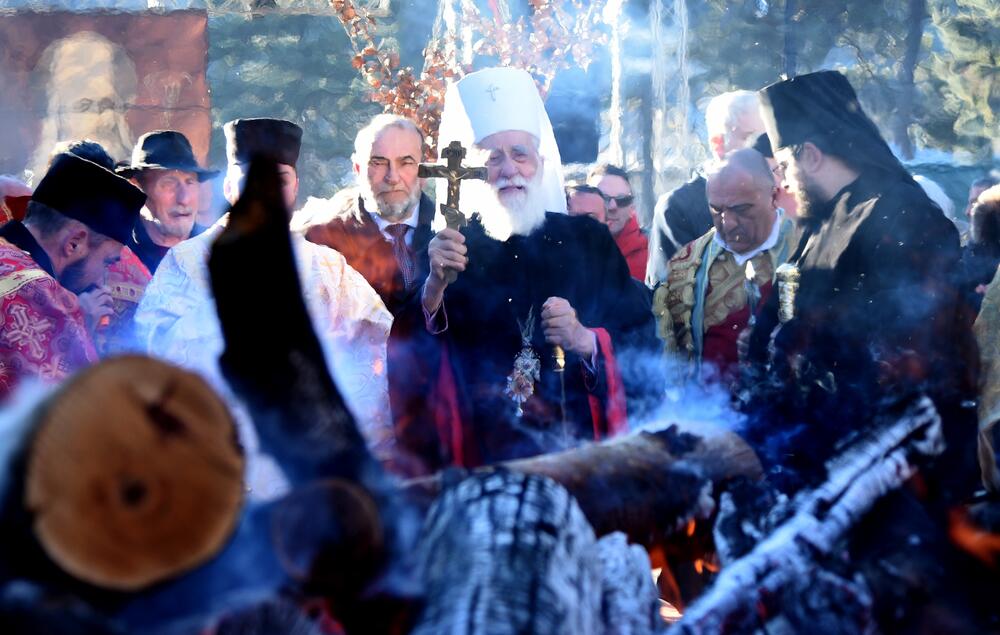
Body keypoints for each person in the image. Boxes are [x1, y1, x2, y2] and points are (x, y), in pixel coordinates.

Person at [396, 67, 654, 472]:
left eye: (520, 154)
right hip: (485, 458)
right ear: (477, 170)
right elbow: (408, 355)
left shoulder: (588, 241)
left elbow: (642, 338)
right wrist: (433, 292)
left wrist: (586, 340)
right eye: (492, 157)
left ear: (541, 161)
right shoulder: (452, 247)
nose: (508, 169)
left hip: (579, 455)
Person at [743, 70, 978, 499]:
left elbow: (912, 352)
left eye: (783, 166)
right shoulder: (818, 222)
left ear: (810, 154)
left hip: (889, 471)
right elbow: (787, 311)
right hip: (818, 450)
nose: (783, 181)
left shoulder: (903, 214)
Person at [135, 117, 395, 498]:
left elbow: (375, 346)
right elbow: (155, 351)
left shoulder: (327, 268)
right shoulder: (186, 262)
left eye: (280, 177)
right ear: (228, 185)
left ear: (295, 188)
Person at [0, 153, 144, 399]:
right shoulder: (39, 293)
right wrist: (76, 330)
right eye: (107, 261)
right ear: (74, 243)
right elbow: (68, 417)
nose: (101, 281)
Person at [653, 148, 796, 385]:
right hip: (711, 413)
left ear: (774, 196)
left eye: (742, 209)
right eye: (716, 209)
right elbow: (670, 357)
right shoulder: (685, 264)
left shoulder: (808, 248)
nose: (727, 223)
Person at [294, 114, 434, 313]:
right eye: (378, 162)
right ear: (358, 169)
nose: (392, 177)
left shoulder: (458, 235)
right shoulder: (322, 239)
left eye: (406, 162)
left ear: (424, 172)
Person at [647, 90, 765, 285]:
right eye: (753, 139)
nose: (766, 150)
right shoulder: (677, 207)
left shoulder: (779, 196)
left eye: (769, 139)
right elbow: (671, 297)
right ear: (719, 144)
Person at [117, 130, 218, 273]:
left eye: (190, 182)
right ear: (137, 187)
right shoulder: (114, 254)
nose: (184, 199)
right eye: (169, 183)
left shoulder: (218, 253)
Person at [587, 165, 647, 280]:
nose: (612, 206)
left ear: (632, 208)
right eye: (602, 198)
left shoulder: (651, 256)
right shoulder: (564, 250)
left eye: (622, 200)